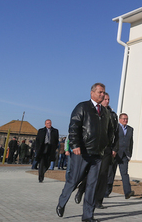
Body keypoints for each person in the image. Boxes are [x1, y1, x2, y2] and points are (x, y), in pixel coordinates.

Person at [56, 82, 115, 222]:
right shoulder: (82, 107)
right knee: (74, 180)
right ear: (92, 93)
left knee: (92, 186)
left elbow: (110, 131)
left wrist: (107, 144)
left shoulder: (106, 112)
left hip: (98, 154)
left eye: (103, 92)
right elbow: (74, 127)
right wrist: (75, 144)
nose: (102, 94)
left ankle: (88, 216)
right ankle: (61, 203)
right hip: (82, 152)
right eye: (100, 92)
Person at [75, 92, 118, 209]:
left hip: (107, 149)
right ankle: (81, 190)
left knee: (103, 175)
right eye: (105, 99)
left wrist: (115, 148)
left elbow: (116, 133)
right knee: (91, 173)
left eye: (108, 99)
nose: (107, 101)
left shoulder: (113, 115)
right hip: (94, 148)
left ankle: (98, 201)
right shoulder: (93, 112)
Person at [111, 113, 135, 199]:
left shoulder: (130, 129)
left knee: (124, 174)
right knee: (111, 174)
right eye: (124, 119)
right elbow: (112, 140)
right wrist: (112, 150)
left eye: (127, 119)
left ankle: (127, 192)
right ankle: (106, 191)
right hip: (115, 154)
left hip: (125, 155)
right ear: (119, 119)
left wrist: (129, 155)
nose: (125, 120)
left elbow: (131, 143)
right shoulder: (115, 128)